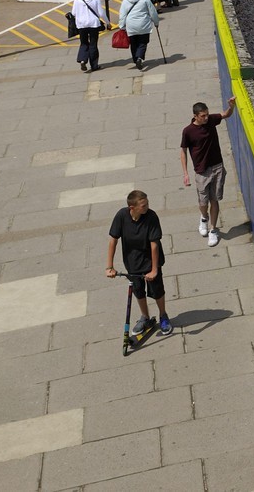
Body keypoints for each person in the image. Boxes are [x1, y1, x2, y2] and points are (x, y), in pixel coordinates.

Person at [105, 190, 171, 335]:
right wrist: (109, 267)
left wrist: (154, 270)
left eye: (147, 203)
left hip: (150, 260)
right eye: (143, 205)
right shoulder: (121, 216)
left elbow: (154, 245)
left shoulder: (151, 217)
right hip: (132, 262)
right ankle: (145, 317)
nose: (147, 207)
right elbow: (113, 241)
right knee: (138, 290)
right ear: (132, 208)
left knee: (157, 290)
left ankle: (163, 315)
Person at [181, 96, 236, 247]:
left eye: (207, 114)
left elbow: (226, 115)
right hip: (201, 171)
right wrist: (185, 173)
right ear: (195, 116)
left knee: (215, 199)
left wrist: (231, 106)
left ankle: (213, 230)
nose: (206, 118)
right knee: (203, 201)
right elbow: (183, 151)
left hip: (217, 166)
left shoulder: (211, 120)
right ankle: (203, 218)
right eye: (202, 116)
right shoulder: (188, 131)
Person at [118, 0, 159, 70]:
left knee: (133, 43)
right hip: (144, 24)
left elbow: (122, 15)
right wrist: (156, 22)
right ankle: (139, 57)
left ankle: (135, 59)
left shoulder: (125, 1)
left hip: (130, 26)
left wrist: (122, 26)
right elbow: (153, 12)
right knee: (143, 43)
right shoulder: (145, 0)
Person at [70, 0, 108, 73]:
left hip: (81, 25)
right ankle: (94, 65)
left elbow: (74, 13)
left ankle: (83, 60)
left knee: (84, 43)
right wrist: (108, 22)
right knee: (93, 44)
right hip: (93, 24)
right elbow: (101, 13)